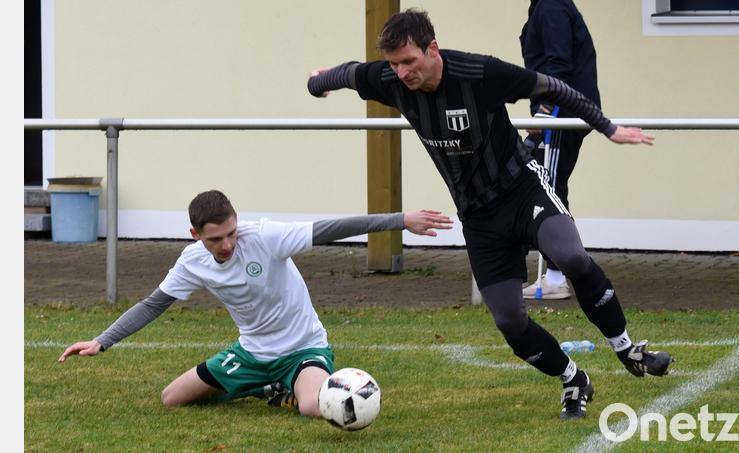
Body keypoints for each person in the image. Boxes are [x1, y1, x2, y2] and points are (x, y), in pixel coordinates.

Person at [307, 8, 672, 419]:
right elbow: (349, 73)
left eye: (408, 61)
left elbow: (554, 86)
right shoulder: (390, 79)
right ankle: (574, 380)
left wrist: (609, 128)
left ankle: (627, 349)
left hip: (523, 190)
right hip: (479, 218)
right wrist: (318, 83)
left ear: (432, 49)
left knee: (570, 256)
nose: (402, 72)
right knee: (510, 322)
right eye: (393, 64)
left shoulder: (480, 72)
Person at [58, 189, 453, 417]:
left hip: (303, 348)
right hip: (251, 354)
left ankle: (292, 383)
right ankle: (268, 386)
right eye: (215, 239)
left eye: (231, 233)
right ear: (195, 234)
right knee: (172, 399)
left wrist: (401, 219)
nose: (227, 244)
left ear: (237, 221)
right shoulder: (191, 261)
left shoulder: (265, 236)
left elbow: (332, 228)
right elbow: (153, 303)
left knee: (311, 408)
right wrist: (102, 341)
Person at [519, 0, 601, 301]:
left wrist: (544, 111)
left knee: (548, 189)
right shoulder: (545, 6)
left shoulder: (551, 6)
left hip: (562, 112)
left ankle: (558, 275)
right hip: (563, 110)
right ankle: (558, 273)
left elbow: (559, 64)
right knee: (545, 186)